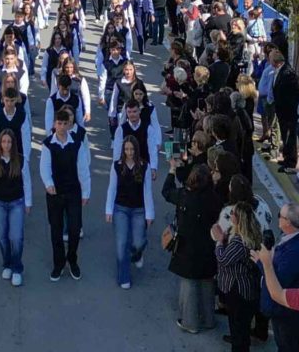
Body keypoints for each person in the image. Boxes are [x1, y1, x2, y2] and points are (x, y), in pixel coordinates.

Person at [163, 162, 221, 333]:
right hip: (208, 246)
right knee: (207, 281)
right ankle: (209, 319)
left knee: (188, 283)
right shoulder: (214, 199)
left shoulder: (184, 196)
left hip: (187, 246)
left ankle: (190, 322)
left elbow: (166, 192)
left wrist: (172, 171)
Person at [40, 108, 92, 282]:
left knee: (74, 228)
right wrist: (48, 184)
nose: (61, 127)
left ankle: (72, 259)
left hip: (73, 192)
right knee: (55, 229)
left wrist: (86, 191)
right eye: (59, 123)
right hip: (55, 193)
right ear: (55, 124)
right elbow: (44, 167)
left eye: (64, 123)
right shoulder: (48, 144)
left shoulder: (76, 144)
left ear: (69, 125)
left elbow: (83, 168)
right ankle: (58, 263)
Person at [257, 203, 299, 352]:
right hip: (286, 310)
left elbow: (277, 281)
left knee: (286, 345)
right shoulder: (293, 240)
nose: (278, 218)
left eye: (280, 216)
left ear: (288, 222)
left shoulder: (294, 251)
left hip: (286, 311)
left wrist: (261, 261)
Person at [0, 128, 32, 287]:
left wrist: (28, 202)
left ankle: (17, 268)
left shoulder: (21, 160)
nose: (6, 144)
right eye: (3, 141)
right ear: (0, 143)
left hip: (16, 202)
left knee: (16, 237)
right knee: (3, 237)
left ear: (13, 143)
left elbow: (27, 182)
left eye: (9, 141)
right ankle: (7, 264)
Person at [105, 135, 154, 289]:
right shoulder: (116, 166)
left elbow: (147, 191)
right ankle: (124, 277)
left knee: (138, 242)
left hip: (139, 209)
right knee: (121, 243)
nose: (129, 152)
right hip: (120, 208)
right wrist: (108, 210)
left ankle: (138, 253)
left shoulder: (144, 166)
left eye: (132, 149)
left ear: (136, 150)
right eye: (126, 149)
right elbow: (112, 188)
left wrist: (149, 214)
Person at [213, 201, 263, 352]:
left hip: (238, 290)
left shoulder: (239, 242)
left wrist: (220, 241)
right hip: (247, 288)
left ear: (239, 218)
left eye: (233, 213)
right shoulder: (251, 234)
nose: (231, 215)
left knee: (238, 326)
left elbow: (223, 259)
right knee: (241, 326)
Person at [269, 50, 299, 171]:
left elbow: (292, 94)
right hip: (281, 110)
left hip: (288, 111)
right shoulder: (279, 71)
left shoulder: (288, 73)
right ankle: (287, 157)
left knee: (289, 135)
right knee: (284, 134)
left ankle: (290, 161)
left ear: (276, 61)